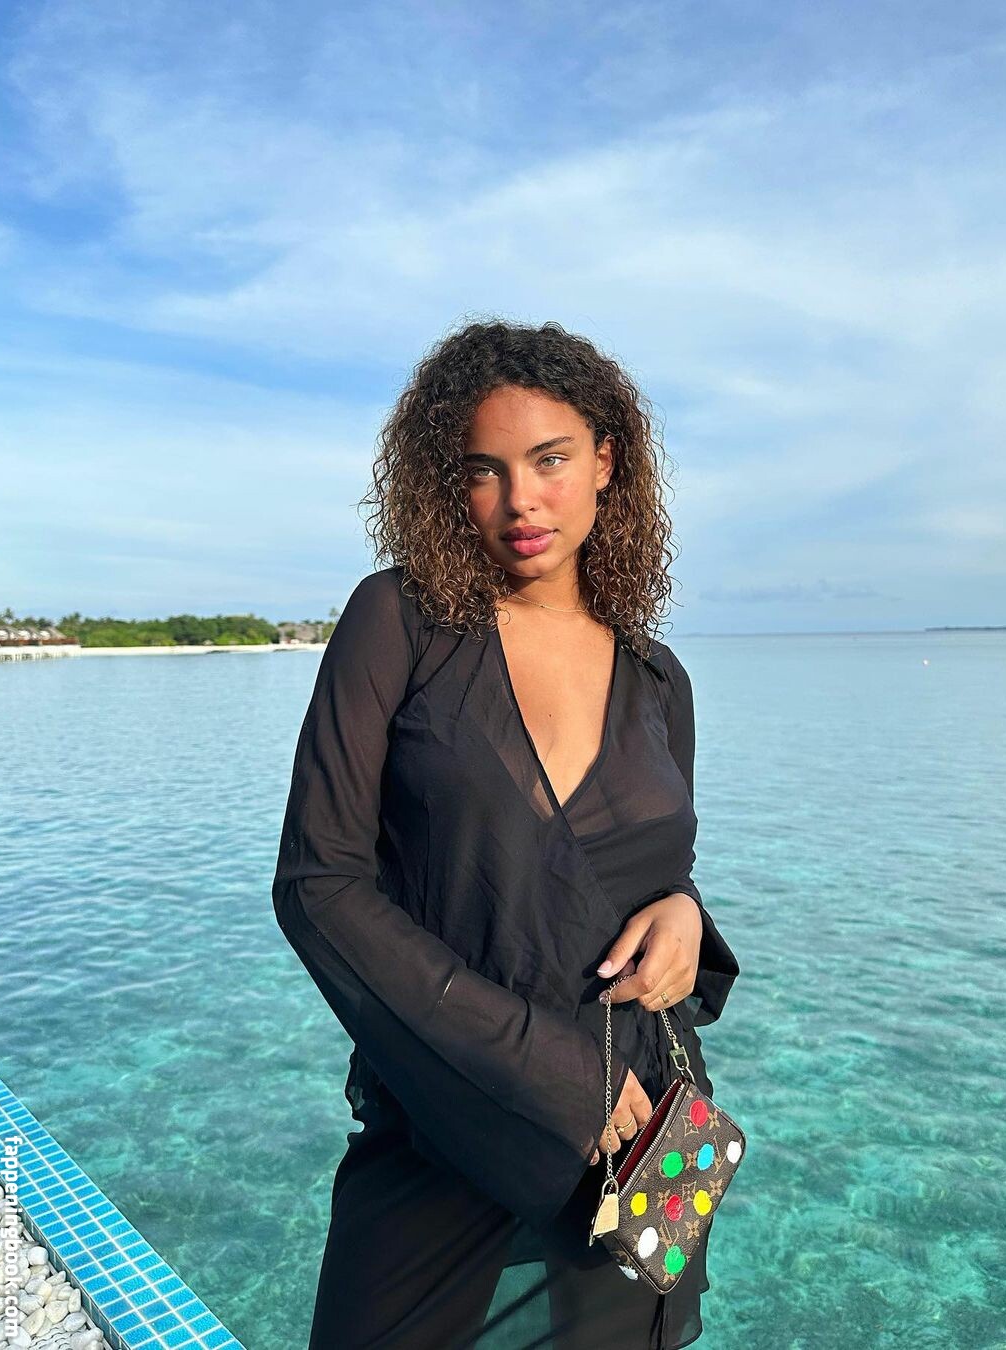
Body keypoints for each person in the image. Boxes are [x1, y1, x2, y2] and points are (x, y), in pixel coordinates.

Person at [271, 318, 741, 1350]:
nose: (521, 499)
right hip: (449, 1109)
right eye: (484, 470)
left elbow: (657, 873)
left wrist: (684, 914)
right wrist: (548, 1071)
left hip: (639, 1133)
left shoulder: (660, 679)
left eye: (551, 460)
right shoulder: (400, 623)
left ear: (607, 462)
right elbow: (318, 885)